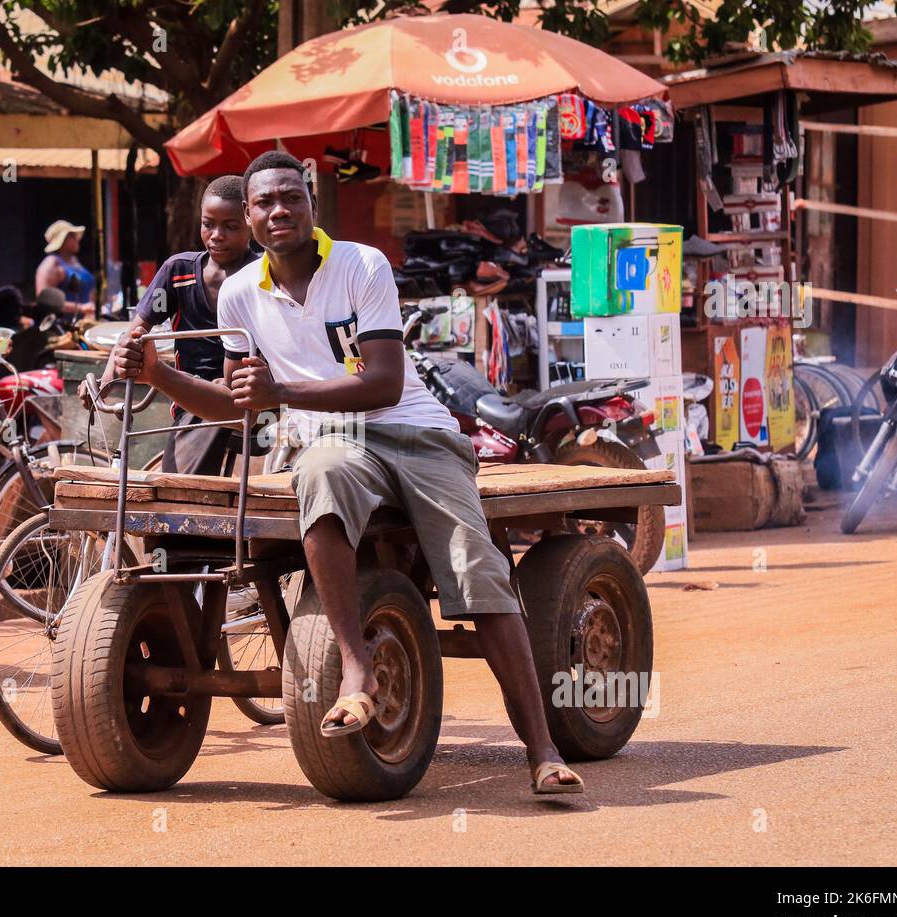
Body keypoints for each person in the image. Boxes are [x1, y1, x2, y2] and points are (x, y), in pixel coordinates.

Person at [107, 150, 583, 795]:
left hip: (417, 433)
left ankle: (543, 749)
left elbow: (383, 382)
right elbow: (233, 404)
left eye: (291, 198)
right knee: (320, 476)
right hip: (333, 439)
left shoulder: (361, 264)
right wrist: (160, 375)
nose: (280, 211)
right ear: (247, 218)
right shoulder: (242, 294)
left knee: (476, 567)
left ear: (311, 203)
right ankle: (355, 668)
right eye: (264, 203)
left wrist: (285, 395)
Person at [89, 175, 258, 474]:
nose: (217, 235)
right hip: (191, 399)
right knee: (175, 494)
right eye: (208, 224)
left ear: (249, 222)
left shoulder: (263, 274)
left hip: (251, 396)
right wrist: (103, 387)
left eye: (231, 227)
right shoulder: (178, 273)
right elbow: (133, 338)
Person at [36, 220, 97, 319]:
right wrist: (81, 308)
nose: (77, 238)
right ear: (62, 240)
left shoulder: (75, 261)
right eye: (72, 235)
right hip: (63, 327)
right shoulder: (51, 263)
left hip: (84, 323)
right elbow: (44, 301)